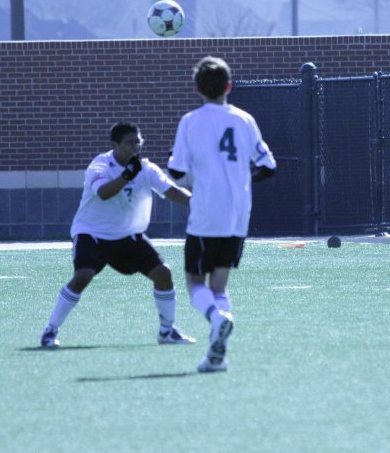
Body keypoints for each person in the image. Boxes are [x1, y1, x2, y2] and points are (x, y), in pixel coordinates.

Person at [39, 122, 195, 348]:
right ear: (114, 145)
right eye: (129, 143)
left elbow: (172, 191)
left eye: (138, 142)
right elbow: (103, 193)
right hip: (92, 233)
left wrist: (199, 202)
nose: (135, 147)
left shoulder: (147, 168)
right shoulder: (100, 165)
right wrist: (126, 176)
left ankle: (167, 331)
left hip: (128, 236)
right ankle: (50, 330)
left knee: (163, 273)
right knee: (82, 276)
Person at [167, 56, 277, 373]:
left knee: (193, 282)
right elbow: (269, 167)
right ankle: (218, 355)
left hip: (205, 213)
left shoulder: (191, 121)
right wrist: (240, 181)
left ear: (198, 89)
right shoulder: (244, 119)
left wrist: (175, 158)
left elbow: (175, 171)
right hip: (238, 215)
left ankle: (218, 318)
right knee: (220, 285)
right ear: (229, 86)